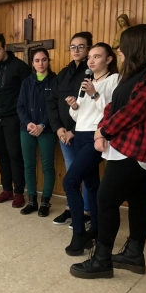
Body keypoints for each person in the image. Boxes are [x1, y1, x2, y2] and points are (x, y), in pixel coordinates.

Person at [71, 24, 146, 279]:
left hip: (137, 148)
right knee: (138, 201)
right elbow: (113, 106)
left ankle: (102, 260)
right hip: (124, 146)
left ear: (138, 46)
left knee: (105, 200)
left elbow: (134, 111)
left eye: (123, 46)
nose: (119, 50)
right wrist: (103, 127)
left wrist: (103, 131)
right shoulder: (134, 73)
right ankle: (134, 255)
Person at [63, 42, 119, 256]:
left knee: (70, 182)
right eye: (90, 57)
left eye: (97, 56)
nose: (91, 60)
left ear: (109, 59)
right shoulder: (87, 82)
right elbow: (78, 116)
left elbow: (110, 111)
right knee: (91, 183)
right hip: (80, 133)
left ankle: (79, 234)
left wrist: (95, 94)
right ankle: (95, 228)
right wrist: (74, 106)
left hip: (96, 136)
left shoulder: (114, 80)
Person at [47, 32, 93, 228]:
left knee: (86, 173)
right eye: (73, 46)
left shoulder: (91, 73)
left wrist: (72, 130)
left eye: (81, 47)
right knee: (71, 172)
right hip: (63, 134)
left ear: (89, 49)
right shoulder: (63, 74)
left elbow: (91, 106)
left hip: (82, 133)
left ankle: (87, 212)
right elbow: (52, 103)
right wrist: (59, 129)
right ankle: (71, 208)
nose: (76, 50)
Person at [0, 33, 32, 207]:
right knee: (1, 155)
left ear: (5, 48)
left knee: (15, 155)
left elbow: (27, 93)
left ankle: (19, 192)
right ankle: (7, 190)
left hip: (13, 118)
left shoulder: (19, 67)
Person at [17, 48, 57, 216]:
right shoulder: (27, 82)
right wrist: (28, 123)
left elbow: (55, 108)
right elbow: (20, 106)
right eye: (37, 60)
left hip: (46, 130)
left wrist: (42, 125)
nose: (41, 63)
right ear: (32, 63)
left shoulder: (55, 81)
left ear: (48, 61)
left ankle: (45, 202)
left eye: (44, 60)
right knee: (29, 165)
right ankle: (32, 200)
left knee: (47, 165)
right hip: (27, 130)